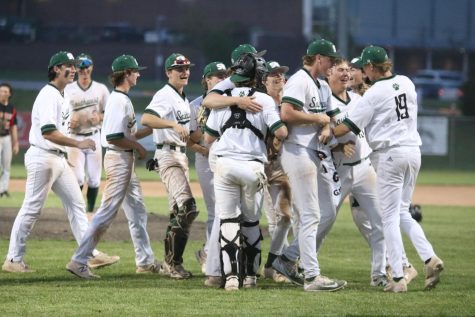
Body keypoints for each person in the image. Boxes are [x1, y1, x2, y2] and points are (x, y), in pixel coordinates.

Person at [332, 46, 444, 292]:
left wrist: (326, 126)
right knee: (402, 211)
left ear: (372, 67)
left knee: (389, 217)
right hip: (413, 152)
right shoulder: (406, 82)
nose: (362, 71)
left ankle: (398, 278)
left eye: (364, 67)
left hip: (390, 155)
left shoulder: (374, 94)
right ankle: (429, 258)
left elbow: (345, 128)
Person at [2, 51, 118, 273]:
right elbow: (48, 132)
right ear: (56, 69)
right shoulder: (49, 94)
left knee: (77, 206)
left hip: (58, 158)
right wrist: (78, 144)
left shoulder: (62, 95)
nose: (74, 69)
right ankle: (13, 259)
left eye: (75, 66)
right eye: (69, 66)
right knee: (32, 208)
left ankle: (89, 254)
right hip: (43, 157)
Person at [67, 54, 160, 279]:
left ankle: (145, 261)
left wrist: (159, 126)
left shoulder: (121, 98)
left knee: (137, 212)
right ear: (126, 74)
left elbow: (131, 133)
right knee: (107, 212)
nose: (138, 74)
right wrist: (137, 147)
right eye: (135, 71)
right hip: (119, 158)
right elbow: (114, 137)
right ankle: (79, 260)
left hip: (123, 158)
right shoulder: (118, 100)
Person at [203, 52, 288, 291]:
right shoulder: (264, 99)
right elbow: (281, 132)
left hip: (225, 165)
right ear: (259, 76)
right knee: (251, 222)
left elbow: (208, 137)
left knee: (228, 220)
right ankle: (250, 277)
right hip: (252, 166)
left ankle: (230, 279)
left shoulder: (222, 98)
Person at [272, 39, 347, 292]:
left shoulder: (322, 85)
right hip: (297, 150)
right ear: (317, 58)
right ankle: (312, 277)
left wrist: (325, 124)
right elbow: (287, 113)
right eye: (331, 60)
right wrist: (317, 118)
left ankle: (287, 258)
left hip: (315, 152)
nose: (333, 65)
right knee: (310, 215)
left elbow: (330, 117)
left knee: (328, 211)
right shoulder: (299, 80)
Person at [347, 57, 418, 285]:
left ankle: (397, 268)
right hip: (378, 157)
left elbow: (353, 126)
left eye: (355, 68)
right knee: (367, 218)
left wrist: (331, 130)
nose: (351, 72)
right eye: (348, 68)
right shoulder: (348, 94)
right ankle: (392, 266)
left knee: (383, 218)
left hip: (375, 159)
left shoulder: (373, 92)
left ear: (367, 69)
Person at [327, 58, 387, 286]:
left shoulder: (359, 99)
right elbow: (319, 136)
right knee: (323, 220)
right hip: (338, 170)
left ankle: (379, 275)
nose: (346, 74)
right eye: (341, 70)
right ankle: (294, 261)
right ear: (329, 74)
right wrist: (337, 143)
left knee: (379, 221)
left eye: (348, 70)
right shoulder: (324, 101)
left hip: (364, 168)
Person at [141, 53, 198, 279]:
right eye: (178, 68)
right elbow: (147, 118)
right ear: (168, 72)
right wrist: (171, 124)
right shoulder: (165, 94)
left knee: (178, 212)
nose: (184, 72)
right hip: (167, 155)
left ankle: (171, 264)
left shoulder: (182, 97)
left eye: (186, 68)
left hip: (179, 155)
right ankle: (173, 264)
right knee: (188, 208)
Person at [187, 61, 227, 277]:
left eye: (223, 75)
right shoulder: (195, 105)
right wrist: (202, 150)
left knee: (228, 209)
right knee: (214, 209)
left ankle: (209, 252)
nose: (221, 79)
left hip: (227, 158)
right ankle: (210, 254)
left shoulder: (229, 103)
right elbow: (187, 139)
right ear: (206, 80)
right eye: (216, 76)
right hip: (205, 159)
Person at [259, 61, 293, 283]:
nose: (279, 77)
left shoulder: (289, 106)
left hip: (282, 166)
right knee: (272, 219)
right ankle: (277, 266)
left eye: (281, 74)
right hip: (261, 165)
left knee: (286, 218)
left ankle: (276, 264)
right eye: (273, 75)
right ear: (264, 81)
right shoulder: (260, 104)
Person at [65, 53, 109, 220]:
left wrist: (100, 117)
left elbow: (109, 112)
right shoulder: (69, 89)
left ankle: (90, 210)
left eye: (86, 66)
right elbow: (61, 113)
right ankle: (79, 209)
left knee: (94, 179)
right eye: (81, 67)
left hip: (94, 137)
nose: (84, 70)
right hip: (75, 138)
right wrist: (69, 121)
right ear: (76, 69)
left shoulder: (101, 89)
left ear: (92, 67)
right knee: (77, 177)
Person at [0, 83, 19, 198]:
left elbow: (13, 126)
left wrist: (15, 143)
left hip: (6, 137)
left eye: (5, 91)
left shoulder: (11, 108)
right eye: (1, 91)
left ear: (10, 94)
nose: (3, 93)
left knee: (6, 165)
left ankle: (4, 189)